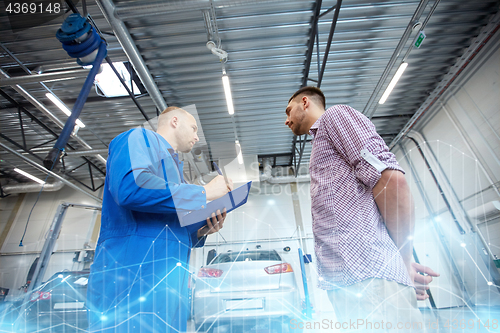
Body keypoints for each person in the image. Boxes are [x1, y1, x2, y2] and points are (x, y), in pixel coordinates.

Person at [285, 87, 439, 331]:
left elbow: (390, 180)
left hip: (369, 278)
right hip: (351, 282)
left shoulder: (335, 117)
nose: (286, 119)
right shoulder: (322, 143)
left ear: (305, 102)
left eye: (288, 110)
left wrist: (404, 261)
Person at [87, 106, 233, 332]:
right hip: (131, 272)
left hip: (168, 282)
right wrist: (204, 192)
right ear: (174, 121)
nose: (196, 137)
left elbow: (167, 224)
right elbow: (130, 188)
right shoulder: (138, 137)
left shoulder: (177, 174)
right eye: (193, 129)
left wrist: (202, 229)